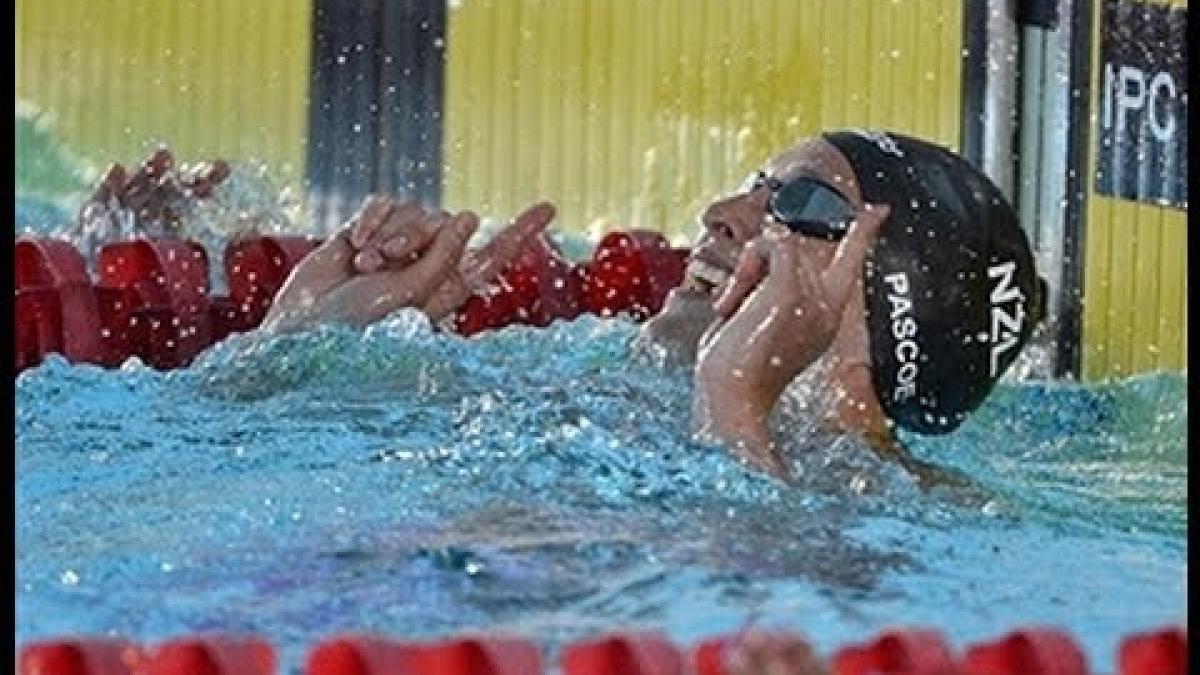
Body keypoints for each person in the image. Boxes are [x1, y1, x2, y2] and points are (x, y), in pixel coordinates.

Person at [257, 130, 1047, 481]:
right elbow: (252, 436)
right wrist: (310, 338)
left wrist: (736, 409)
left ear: (887, 302)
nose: (722, 212)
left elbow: (737, 624)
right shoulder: (604, 396)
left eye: (799, 202)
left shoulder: (891, 515)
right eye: (754, 182)